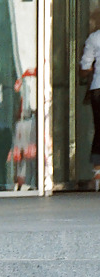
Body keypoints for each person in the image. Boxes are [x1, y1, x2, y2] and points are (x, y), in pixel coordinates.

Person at [81, 8, 100, 190]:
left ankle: (97, 172)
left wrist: (89, 70)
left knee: (99, 130)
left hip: (98, 89)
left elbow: (85, 67)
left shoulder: (94, 38)